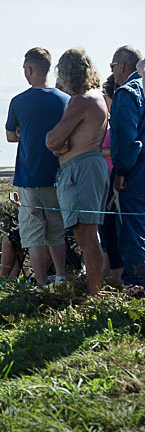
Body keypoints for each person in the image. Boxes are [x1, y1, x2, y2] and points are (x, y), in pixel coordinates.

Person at [45, 48, 108, 296]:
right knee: (88, 233)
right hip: (87, 167)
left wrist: (60, 142)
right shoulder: (97, 97)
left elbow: (52, 140)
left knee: (86, 234)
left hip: (81, 169)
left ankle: (94, 292)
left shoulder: (81, 101)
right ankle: (95, 289)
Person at [5, 47, 69, 288]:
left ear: (30, 69)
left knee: (34, 234)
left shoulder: (18, 101)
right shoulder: (65, 100)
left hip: (29, 177)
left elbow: (11, 135)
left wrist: (25, 132)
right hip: (57, 176)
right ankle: (61, 277)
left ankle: (41, 284)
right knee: (56, 230)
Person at [110, 45, 145, 286]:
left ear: (122, 66)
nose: (112, 72)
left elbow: (125, 137)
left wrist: (120, 171)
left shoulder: (127, 93)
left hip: (136, 174)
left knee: (133, 231)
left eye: (112, 66)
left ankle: (136, 289)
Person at [99, 75, 123, 287]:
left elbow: (119, 152)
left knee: (110, 231)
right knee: (105, 233)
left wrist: (98, 150)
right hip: (107, 181)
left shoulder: (120, 121)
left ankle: (116, 280)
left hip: (116, 182)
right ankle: (107, 278)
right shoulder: (113, 121)